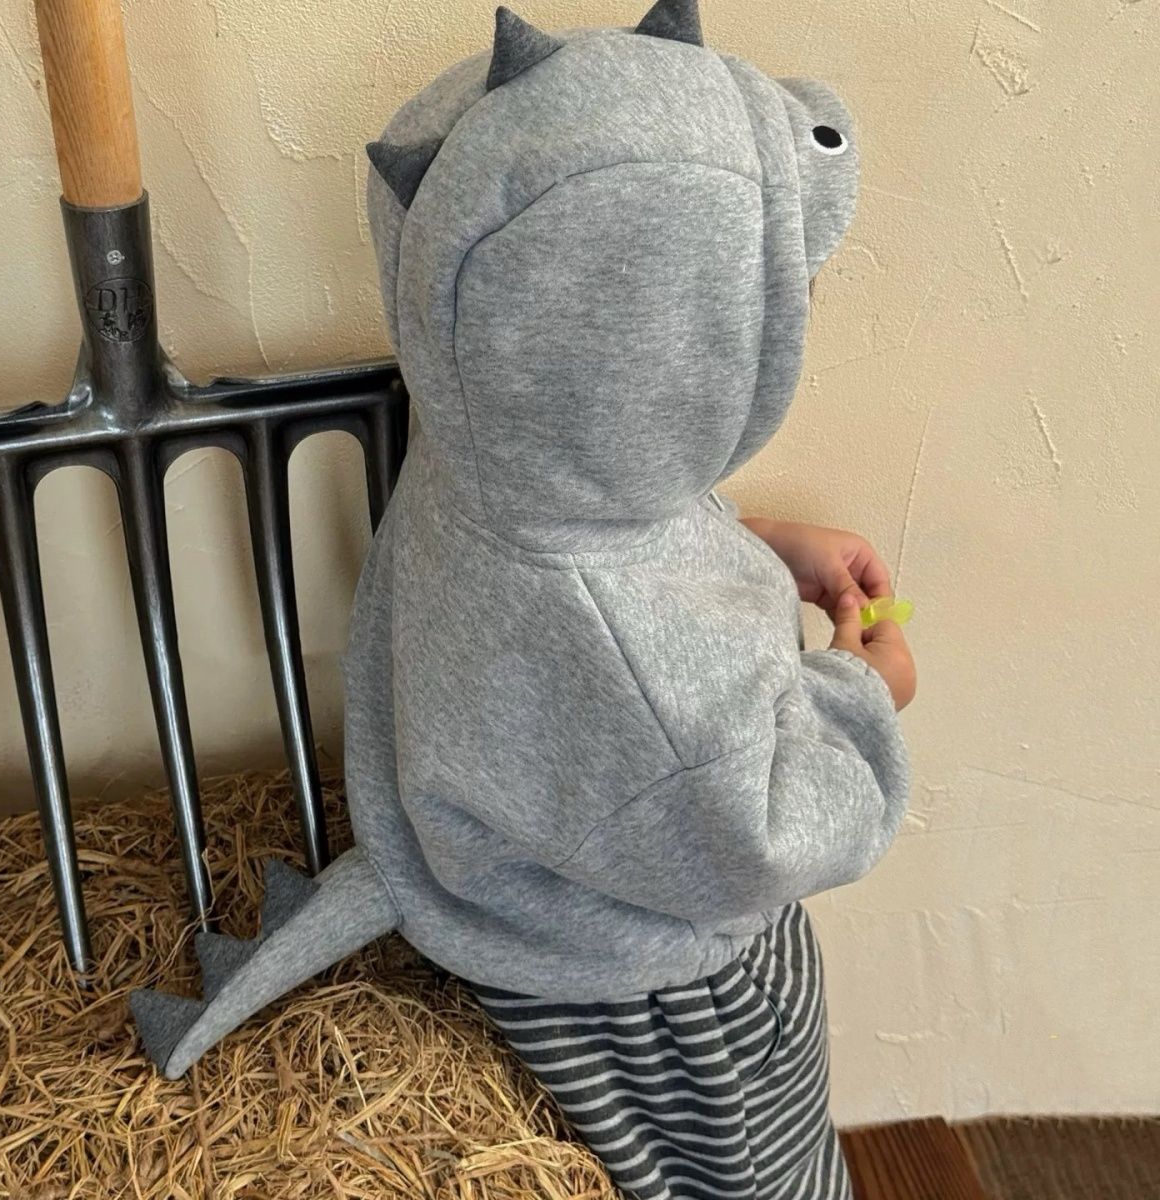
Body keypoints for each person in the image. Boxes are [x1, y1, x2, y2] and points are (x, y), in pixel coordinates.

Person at [134, 5, 914, 1196]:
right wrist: (864, 692)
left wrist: (756, 542)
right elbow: (759, 837)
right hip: (658, 1000)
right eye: (761, 295)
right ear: (659, 352)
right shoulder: (633, 656)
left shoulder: (481, 451)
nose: (791, 308)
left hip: (508, 891)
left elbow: (604, 581)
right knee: (764, 1177)